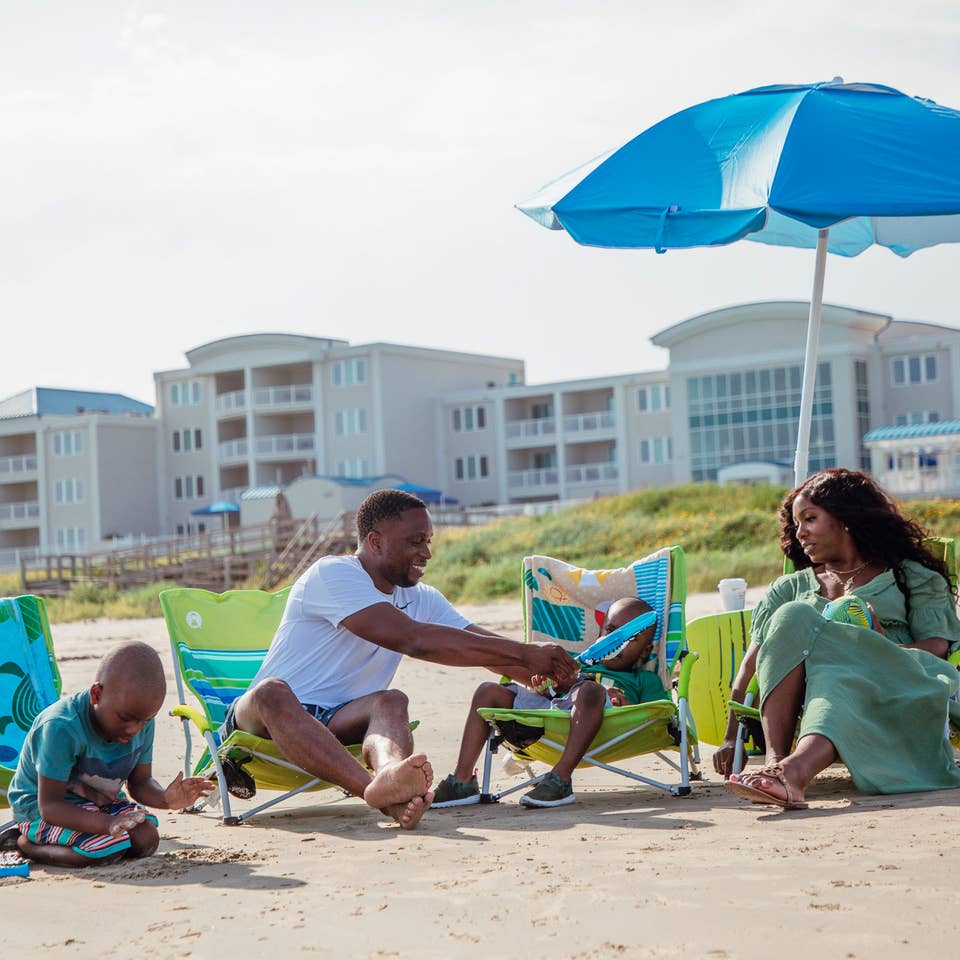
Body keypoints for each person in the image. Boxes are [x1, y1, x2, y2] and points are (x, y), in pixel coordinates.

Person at [226, 488, 579, 830]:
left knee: (391, 700)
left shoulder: (422, 598)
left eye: (428, 541)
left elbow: (482, 647)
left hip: (339, 720)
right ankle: (373, 790)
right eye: (415, 541)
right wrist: (525, 653)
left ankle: (391, 779)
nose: (427, 553)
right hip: (262, 720)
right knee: (272, 691)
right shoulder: (332, 574)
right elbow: (413, 640)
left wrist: (552, 674)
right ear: (376, 541)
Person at [713, 468, 960, 809]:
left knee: (836, 660)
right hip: (814, 690)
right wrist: (731, 737)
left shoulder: (912, 577)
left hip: (898, 682)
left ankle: (790, 773)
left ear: (845, 518)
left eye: (810, 519)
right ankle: (777, 764)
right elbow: (751, 665)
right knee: (796, 618)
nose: (800, 532)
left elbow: (936, 649)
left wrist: (875, 644)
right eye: (796, 524)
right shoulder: (790, 588)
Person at [433, 597, 666, 809]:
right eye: (611, 632)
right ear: (599, 633)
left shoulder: (644, 679)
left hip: (604, 725)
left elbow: (657, 715)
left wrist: (626, 704)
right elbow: (550, 695)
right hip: (551, 719)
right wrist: (547, 687)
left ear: (645, 651)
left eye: (629, 639)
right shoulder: (572, 664)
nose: (618, 643)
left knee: (591, 690)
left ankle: (560, 778)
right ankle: (462, 780)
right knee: (487, 691)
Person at [8, 641, 213, 867]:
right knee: (104, 851)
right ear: (96, 694)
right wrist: (107, 824)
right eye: (125, 718)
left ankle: (100, 835)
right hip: (42, 809)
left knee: (146, 839)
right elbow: (51, 806)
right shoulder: (61, 727)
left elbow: (140, 783)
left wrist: (166, 799)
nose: (134, 730)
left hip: (99, 802)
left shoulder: (141, 720)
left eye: (144, 721)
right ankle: (27, 844)